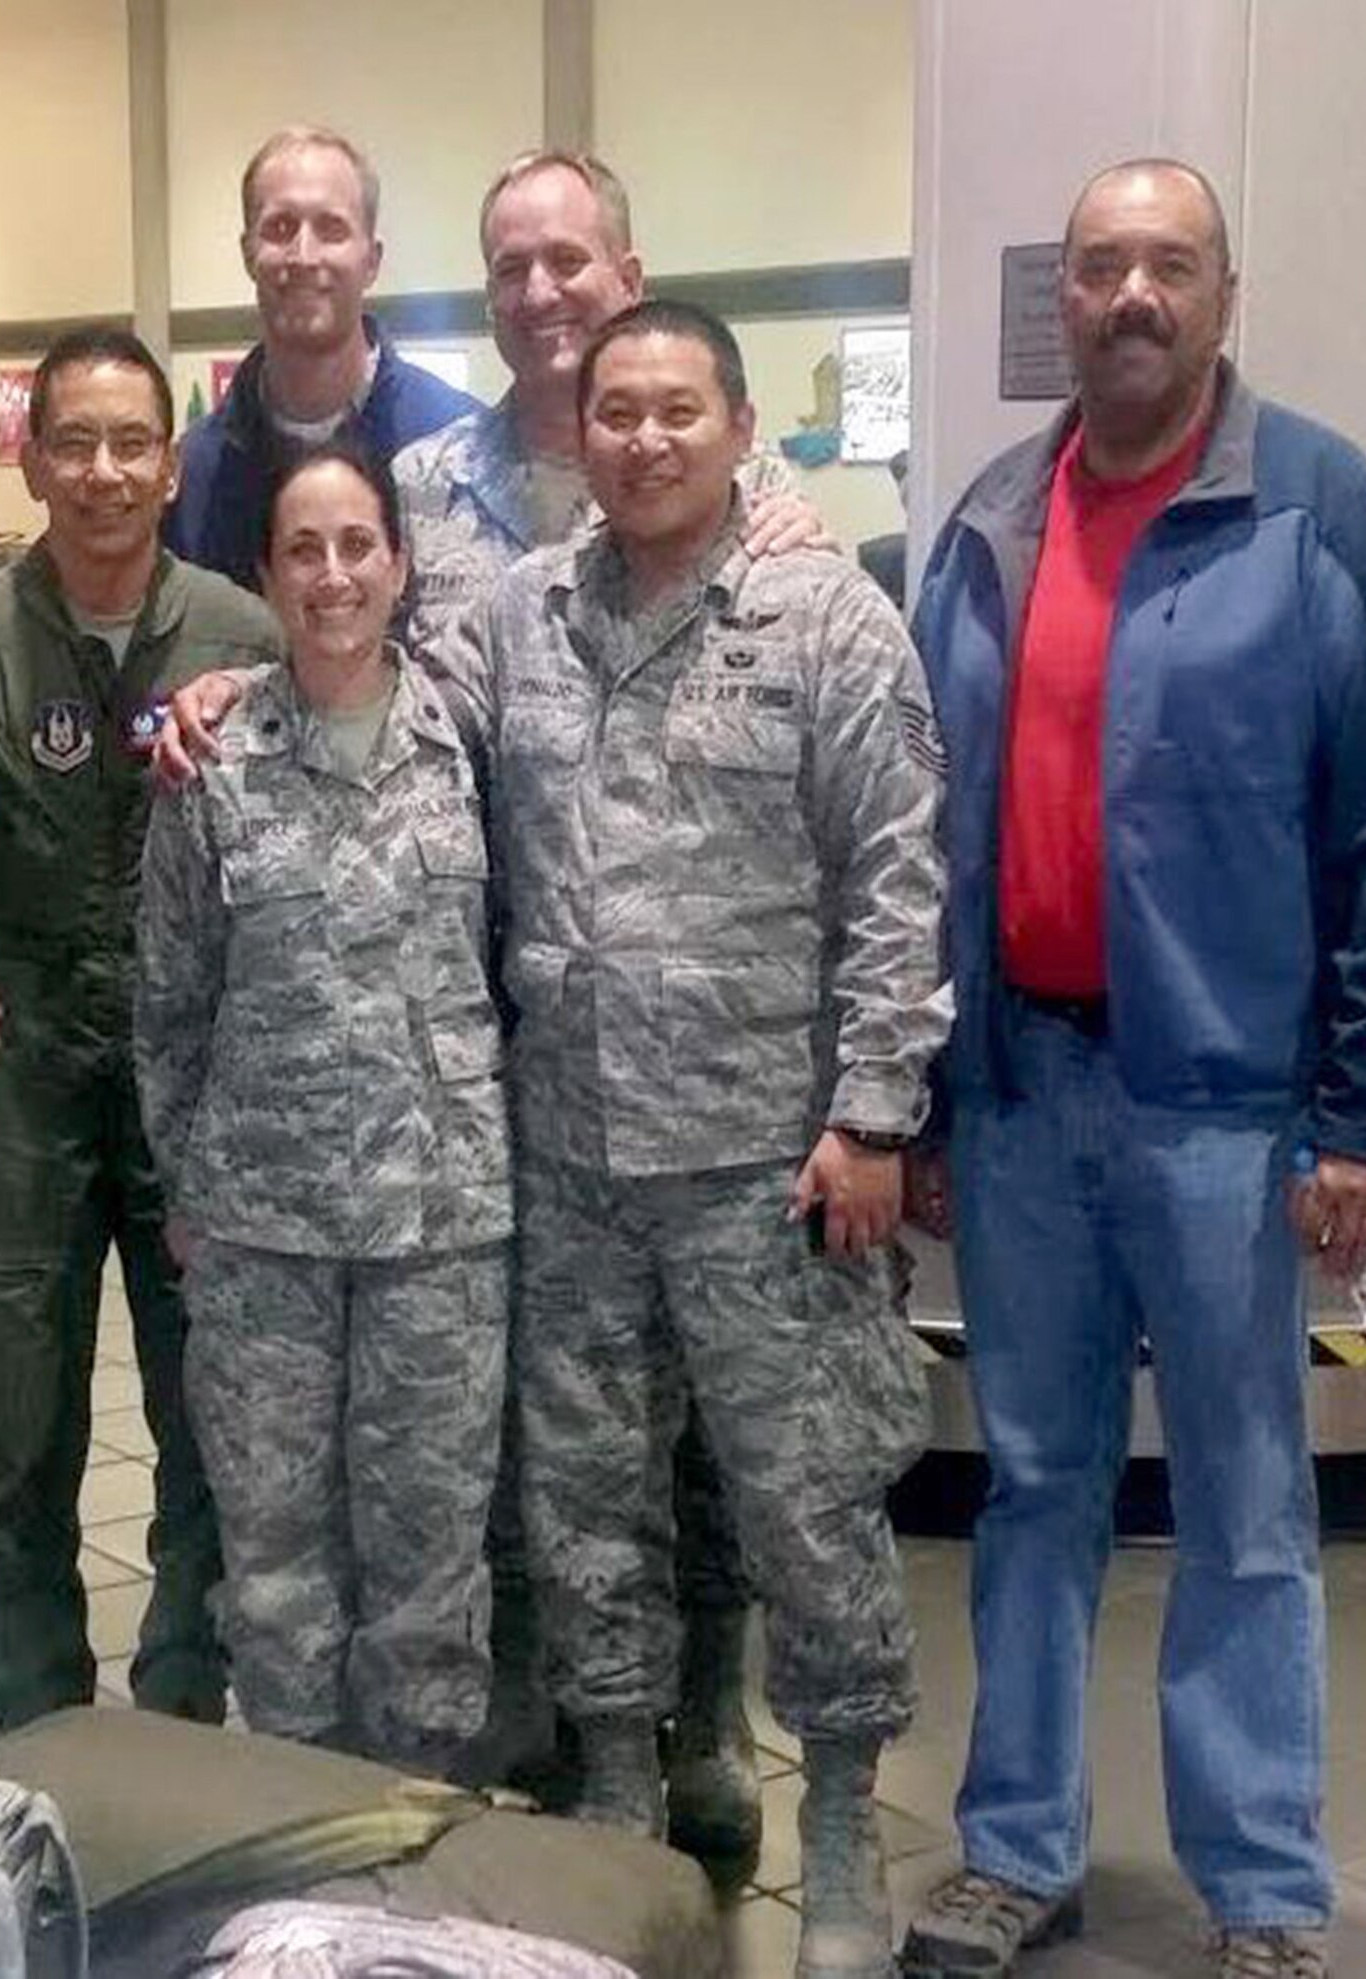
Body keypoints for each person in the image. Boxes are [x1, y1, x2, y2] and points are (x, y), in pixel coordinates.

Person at [899, 158, 1366, 1979]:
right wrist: (933, 1094)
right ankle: (1015, 1846)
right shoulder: (990, 515)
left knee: (1249, 1501)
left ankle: (1263, 1881)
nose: (1129, 296)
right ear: (1069, 301)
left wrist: (1361, 1112)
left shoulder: (1323, 510)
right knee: (1035, 1483)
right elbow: (929, 824)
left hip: (1229, 1106)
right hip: (1025, 1089)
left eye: (1166, 266)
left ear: (1222, 298)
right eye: (1102, 265)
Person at [434, 300, 946, 1979]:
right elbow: (380, 695)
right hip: (570, 1155)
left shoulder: (827, 617)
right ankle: (617, 1788)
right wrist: (235, 685)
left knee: (805, 1505)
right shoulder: (518, 616)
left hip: (769, 1164)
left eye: (678, 411)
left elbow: (897, 872)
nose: (645, 439)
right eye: (616, 412)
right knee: (588, 1502)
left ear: (740, 426)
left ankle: (849, 1827)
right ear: (576, 433)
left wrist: (875, 1112)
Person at [391, 145, 834, 1861]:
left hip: (712, 1048)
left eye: (569, 260)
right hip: (512, 1017)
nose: (540, 292)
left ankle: (708, 1722)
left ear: (627, 265)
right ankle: (573, 1716)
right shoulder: (430, 480)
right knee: (559, 1413)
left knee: (714, 1429)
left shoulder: (756, 483)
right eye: (510, 265)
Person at [0, 326, 280, 1738]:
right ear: (32, 458)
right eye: (74, 442)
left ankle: (177, 1709)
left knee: (210, 1412)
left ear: (169, 461)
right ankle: (41, 1726)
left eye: (130, 442)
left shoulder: (243, 636)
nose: (102, 471)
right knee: (15, 1423)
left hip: (198, 1083)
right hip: (28, 1070)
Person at [135, 442, 511, 1773]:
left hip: (441, 1229)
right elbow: (170, 996)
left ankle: (413, 1827)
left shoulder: (473, 740)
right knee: (278, 1567)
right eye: (305, 549)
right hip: (261, 1234)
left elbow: (519, 958)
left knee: (427, 1558)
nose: (335, 573)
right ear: (266, 577)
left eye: (360, 544)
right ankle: (293, 1841)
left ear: (401, 565)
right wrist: (190, 1186)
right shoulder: (211, 760)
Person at [165, 125, 481, 589]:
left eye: (331, 228)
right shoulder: (195, 475)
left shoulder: (459, 448)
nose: (304, 255)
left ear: (371, 260)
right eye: (279, 228)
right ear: (247, 253)